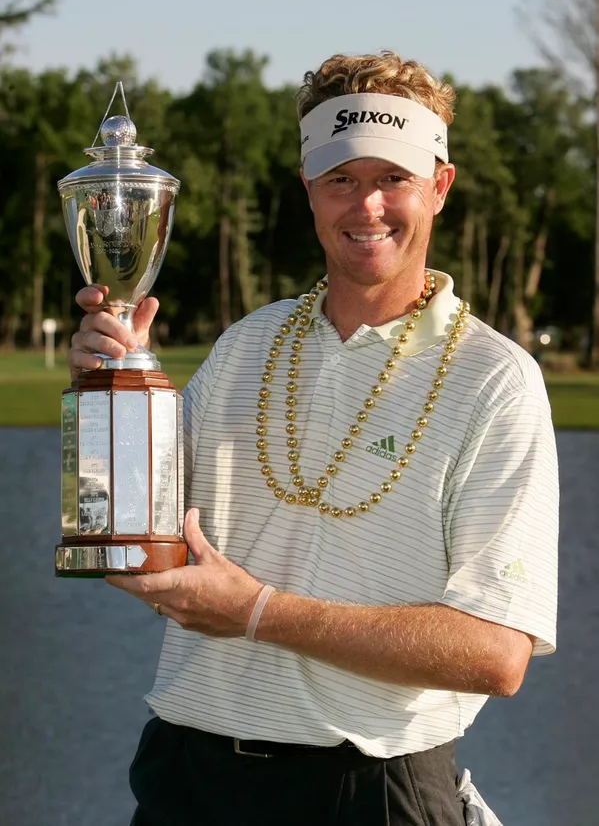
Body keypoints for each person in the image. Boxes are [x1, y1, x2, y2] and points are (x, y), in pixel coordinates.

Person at [68, 51, 559, 826]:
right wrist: (110, 394)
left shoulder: (494, 379)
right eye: (340, 178)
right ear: (307, 187)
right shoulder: (245, 346)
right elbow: (131, 539)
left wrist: (257, 612)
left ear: (439, 186)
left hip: (371, 792)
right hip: (188, 781)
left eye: (392, 177)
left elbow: (496, 656)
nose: (366, 205)